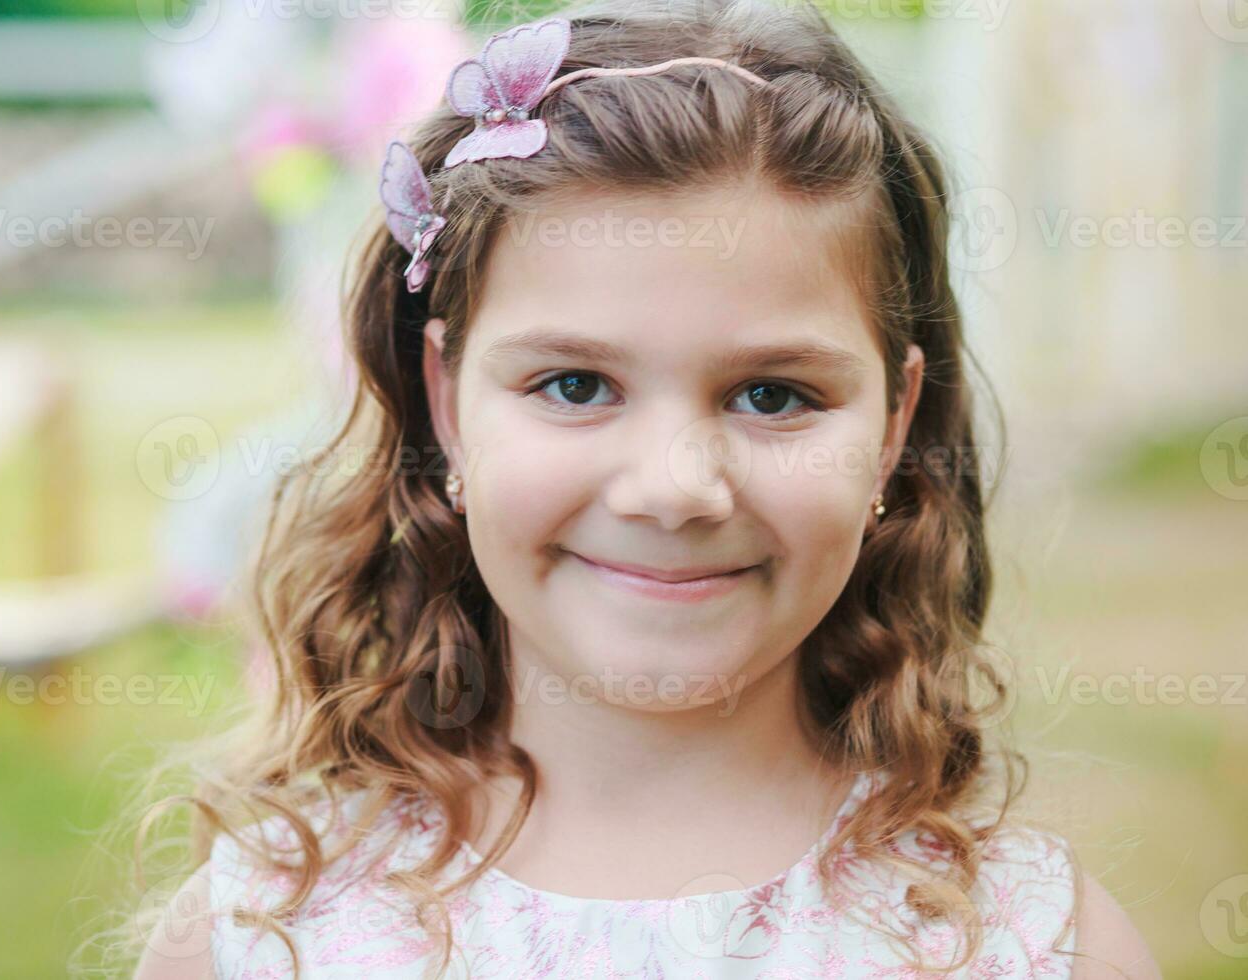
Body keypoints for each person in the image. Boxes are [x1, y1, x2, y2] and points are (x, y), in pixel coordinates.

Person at [130, 1, 1160, 976]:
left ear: (893, 424)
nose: (675, 488)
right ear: (446, 400)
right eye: (575, 385)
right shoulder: (265, 936)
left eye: (772, 394)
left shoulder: (1034, 947)